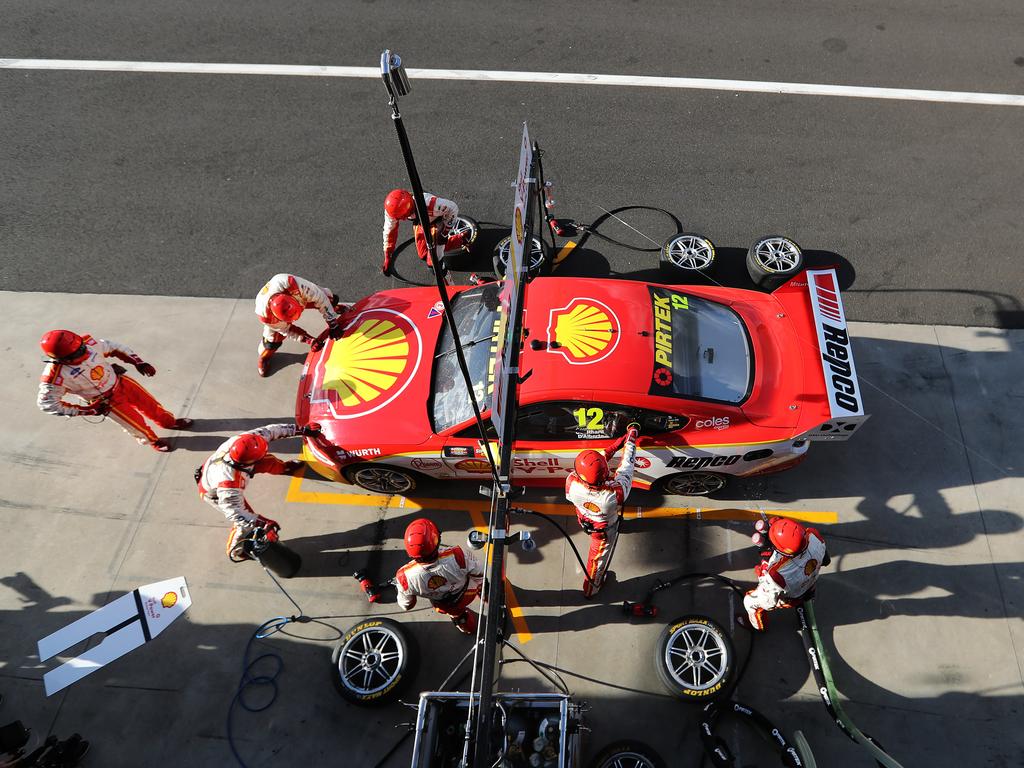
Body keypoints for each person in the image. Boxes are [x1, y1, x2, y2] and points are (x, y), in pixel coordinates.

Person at [36, 330, 191, 452]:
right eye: (77, 353)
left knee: (151, 405)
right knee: (135, 424)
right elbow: (47, 404)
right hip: (106, 402)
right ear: (62, 358)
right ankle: (152, 440)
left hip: (121, 382)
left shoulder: (88, 343)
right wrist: (86, 410)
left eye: (81, 347)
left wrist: (138, 362)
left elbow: (115, 347)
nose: (84, 352)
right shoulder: (54, 377)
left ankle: (169, 422)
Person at [196, 424, 311, 560]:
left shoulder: (246, 440)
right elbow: (236, 513)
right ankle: (236, 551)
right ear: (247, 463)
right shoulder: (229, 484)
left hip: (217, 471)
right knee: (243, 525)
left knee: (269, 461)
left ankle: (284, 468)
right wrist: (264, 524)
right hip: (214, 493)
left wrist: (302, 430)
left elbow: (271, 431)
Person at [565, 423, 640, 598]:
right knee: (597, 563)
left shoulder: (571, 482)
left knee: (595, 557)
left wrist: (614, 446)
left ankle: (592, 587)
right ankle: (591, 589)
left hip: (584, 518)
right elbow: (626, 467)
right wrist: (631, 437)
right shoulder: (614, 495)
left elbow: (597, 468)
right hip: (605, 531)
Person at [739, 517, 830, 631]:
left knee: (749, 602)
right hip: (810, 582)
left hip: (792, 596)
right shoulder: (813, 534)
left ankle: (758, 626)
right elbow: (826, 560)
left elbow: (768, 603)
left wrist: (765, 558)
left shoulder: (776, 575)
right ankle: (810, 592)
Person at [395, 519, 483, 634]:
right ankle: (485, 595)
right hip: (468, 594)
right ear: (437, 540)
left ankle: (467, 627)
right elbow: (480, 573)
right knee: (480, 581)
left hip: (444, 606)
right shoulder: (458, 555)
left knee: (458, 616)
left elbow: (407, 605)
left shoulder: (403, 577)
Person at [254, 273, 349, 377]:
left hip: (298, 294)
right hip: (286, 307)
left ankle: (334, 309)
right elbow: (287, 330)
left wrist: (333, 324)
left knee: (328, 297)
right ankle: (264, 357)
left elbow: (321, 298)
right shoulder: (265, 316)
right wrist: (310, 340)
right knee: (272, 341)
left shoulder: (292, 283)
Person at [381, 189, 467, 275]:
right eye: (400, 218)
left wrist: (445, 232)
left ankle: (462, 238)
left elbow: (453, 207)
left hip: (438, 220)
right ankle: (445, 245)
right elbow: (389, 231)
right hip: (421, 222)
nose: (403, 220)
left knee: (434, 266)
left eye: (404, 216)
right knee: (423, 253)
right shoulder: (392, 210)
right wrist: (388, 256)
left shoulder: (428, 203)